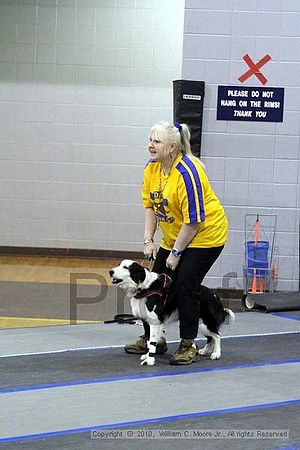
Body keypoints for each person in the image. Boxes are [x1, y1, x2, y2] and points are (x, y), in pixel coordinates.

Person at [125, 121, 228, 365]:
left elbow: (193, 222)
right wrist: (148, 240)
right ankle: (155, 338)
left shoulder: (188, 172)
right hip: (175, 235)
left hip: (205, 236)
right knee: (151, 284)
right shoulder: (152, 169)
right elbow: (150, 207)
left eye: (157, 141)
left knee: (184, 285)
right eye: (150, 139)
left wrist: (176, 253)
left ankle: (188, 344)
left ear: (172, 147)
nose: (151, 145)